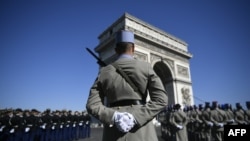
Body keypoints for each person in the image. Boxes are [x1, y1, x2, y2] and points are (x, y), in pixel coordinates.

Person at [86, 30, 168, 141]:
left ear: (116, 50)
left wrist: (114, 116)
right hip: (142, 131)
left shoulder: (104, 72)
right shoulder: (146, 67)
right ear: (133, 48)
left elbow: (92, 105)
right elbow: (161, 100)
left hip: (113, 133)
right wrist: (136, 117)